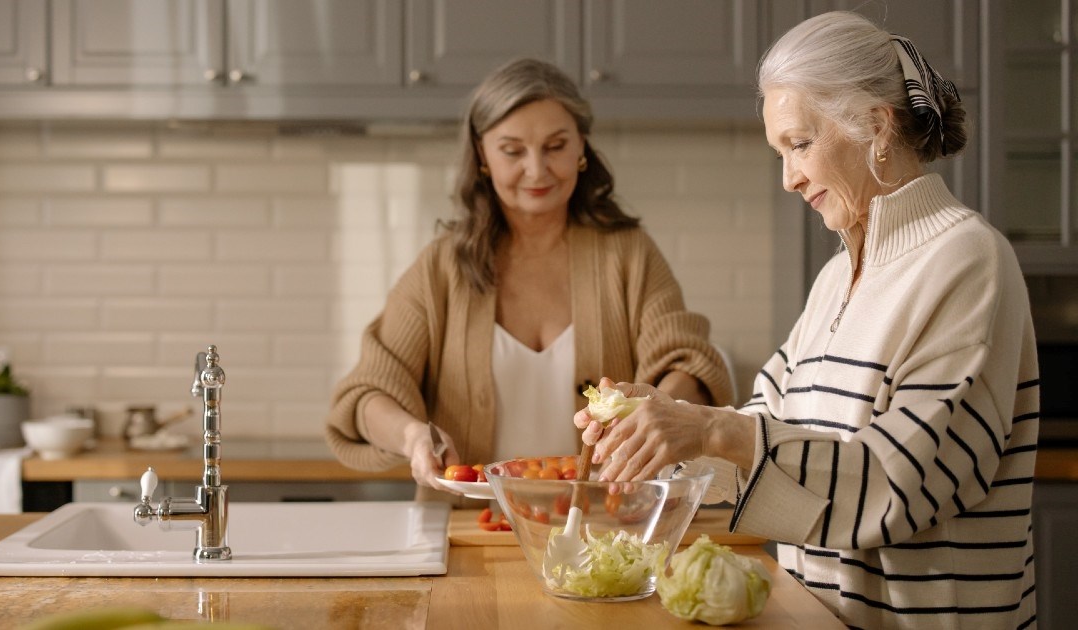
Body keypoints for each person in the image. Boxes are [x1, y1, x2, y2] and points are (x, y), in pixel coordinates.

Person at [576, 12, 1039, 629]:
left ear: (876, 126)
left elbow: (898, 486)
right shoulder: (836, 278)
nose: (789, 178)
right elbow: (762, 441)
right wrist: (663, 426)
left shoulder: (967, 259)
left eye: (799, 144)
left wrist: (710, 430)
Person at [325, 58, 733, 499]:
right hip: (468, 532)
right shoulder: (442, 267)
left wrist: (658, 412)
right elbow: (366, 393)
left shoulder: (629, 254)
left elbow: (687, 363)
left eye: (555, 146)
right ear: (482, 154)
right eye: (513, 151)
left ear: (581, 147)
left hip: (603, 527)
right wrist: (412, 437)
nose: (537, 170)